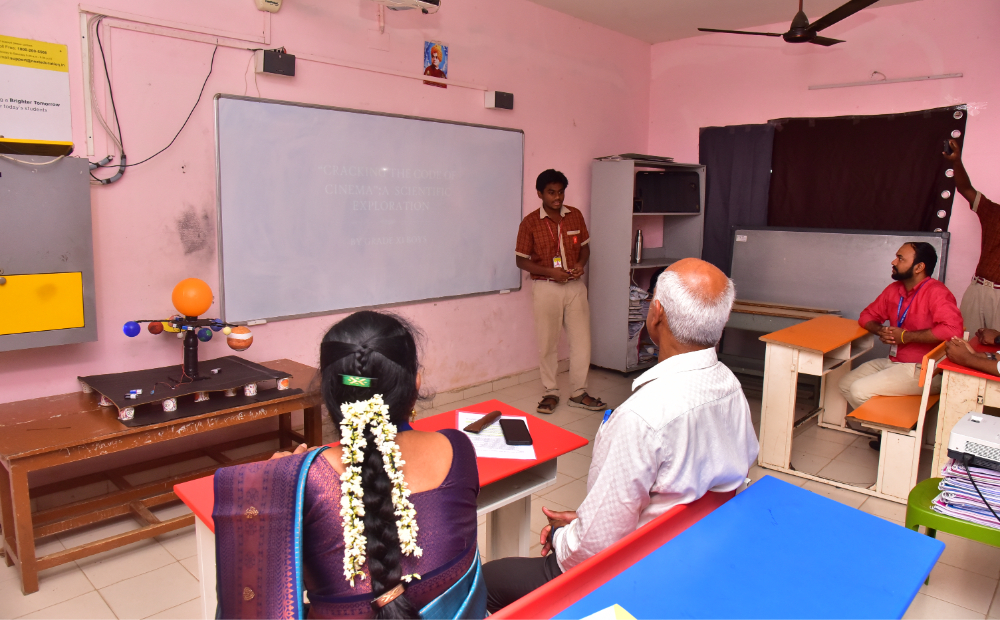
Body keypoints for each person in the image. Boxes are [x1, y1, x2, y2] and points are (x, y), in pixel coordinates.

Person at [481, 258, 759, 612]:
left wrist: (563, 535)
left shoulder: (642, 416)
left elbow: (591, 549)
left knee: (486, 582)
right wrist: (587, 518)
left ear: (656, 314)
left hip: (635, 571)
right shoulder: (731, 387)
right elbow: (727, 473)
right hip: (692, 546)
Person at [213, 311, 484, 619]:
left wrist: (270, 485)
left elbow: (253, 602)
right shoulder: (458, 449)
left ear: (328, 396)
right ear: (415, 385)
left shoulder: (300, 481)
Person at [840, 243, 963, 448]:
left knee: (859, 390)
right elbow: (866, 316)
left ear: (919, 267)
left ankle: (897, 439)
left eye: (900, 258)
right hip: (895, 362)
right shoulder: (894, 290)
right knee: (845, 384)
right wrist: (880, 330)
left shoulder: (937, 292)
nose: (893, 262)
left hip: (925, 370)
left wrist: (906, 336)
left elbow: (952, 330)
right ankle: (889, 434)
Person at [515, 169, 605, 414]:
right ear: (540, 194)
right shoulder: (530, 222)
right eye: (551, 192)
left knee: (582, 341)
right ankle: (551, 392)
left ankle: (579, 392)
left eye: (561, 192)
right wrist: (550, 272)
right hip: (546, 287)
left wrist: (580, 265)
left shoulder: (574, 216)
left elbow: (585, 248)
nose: (557, 197)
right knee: (548, 343)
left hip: (575, 287)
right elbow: (521, 260)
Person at [943, 139, 1000, 331]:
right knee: (965, 342)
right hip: (978, 289)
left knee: (996, 347)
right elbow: (965, 189)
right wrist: (956, 161)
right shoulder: (994, 212)